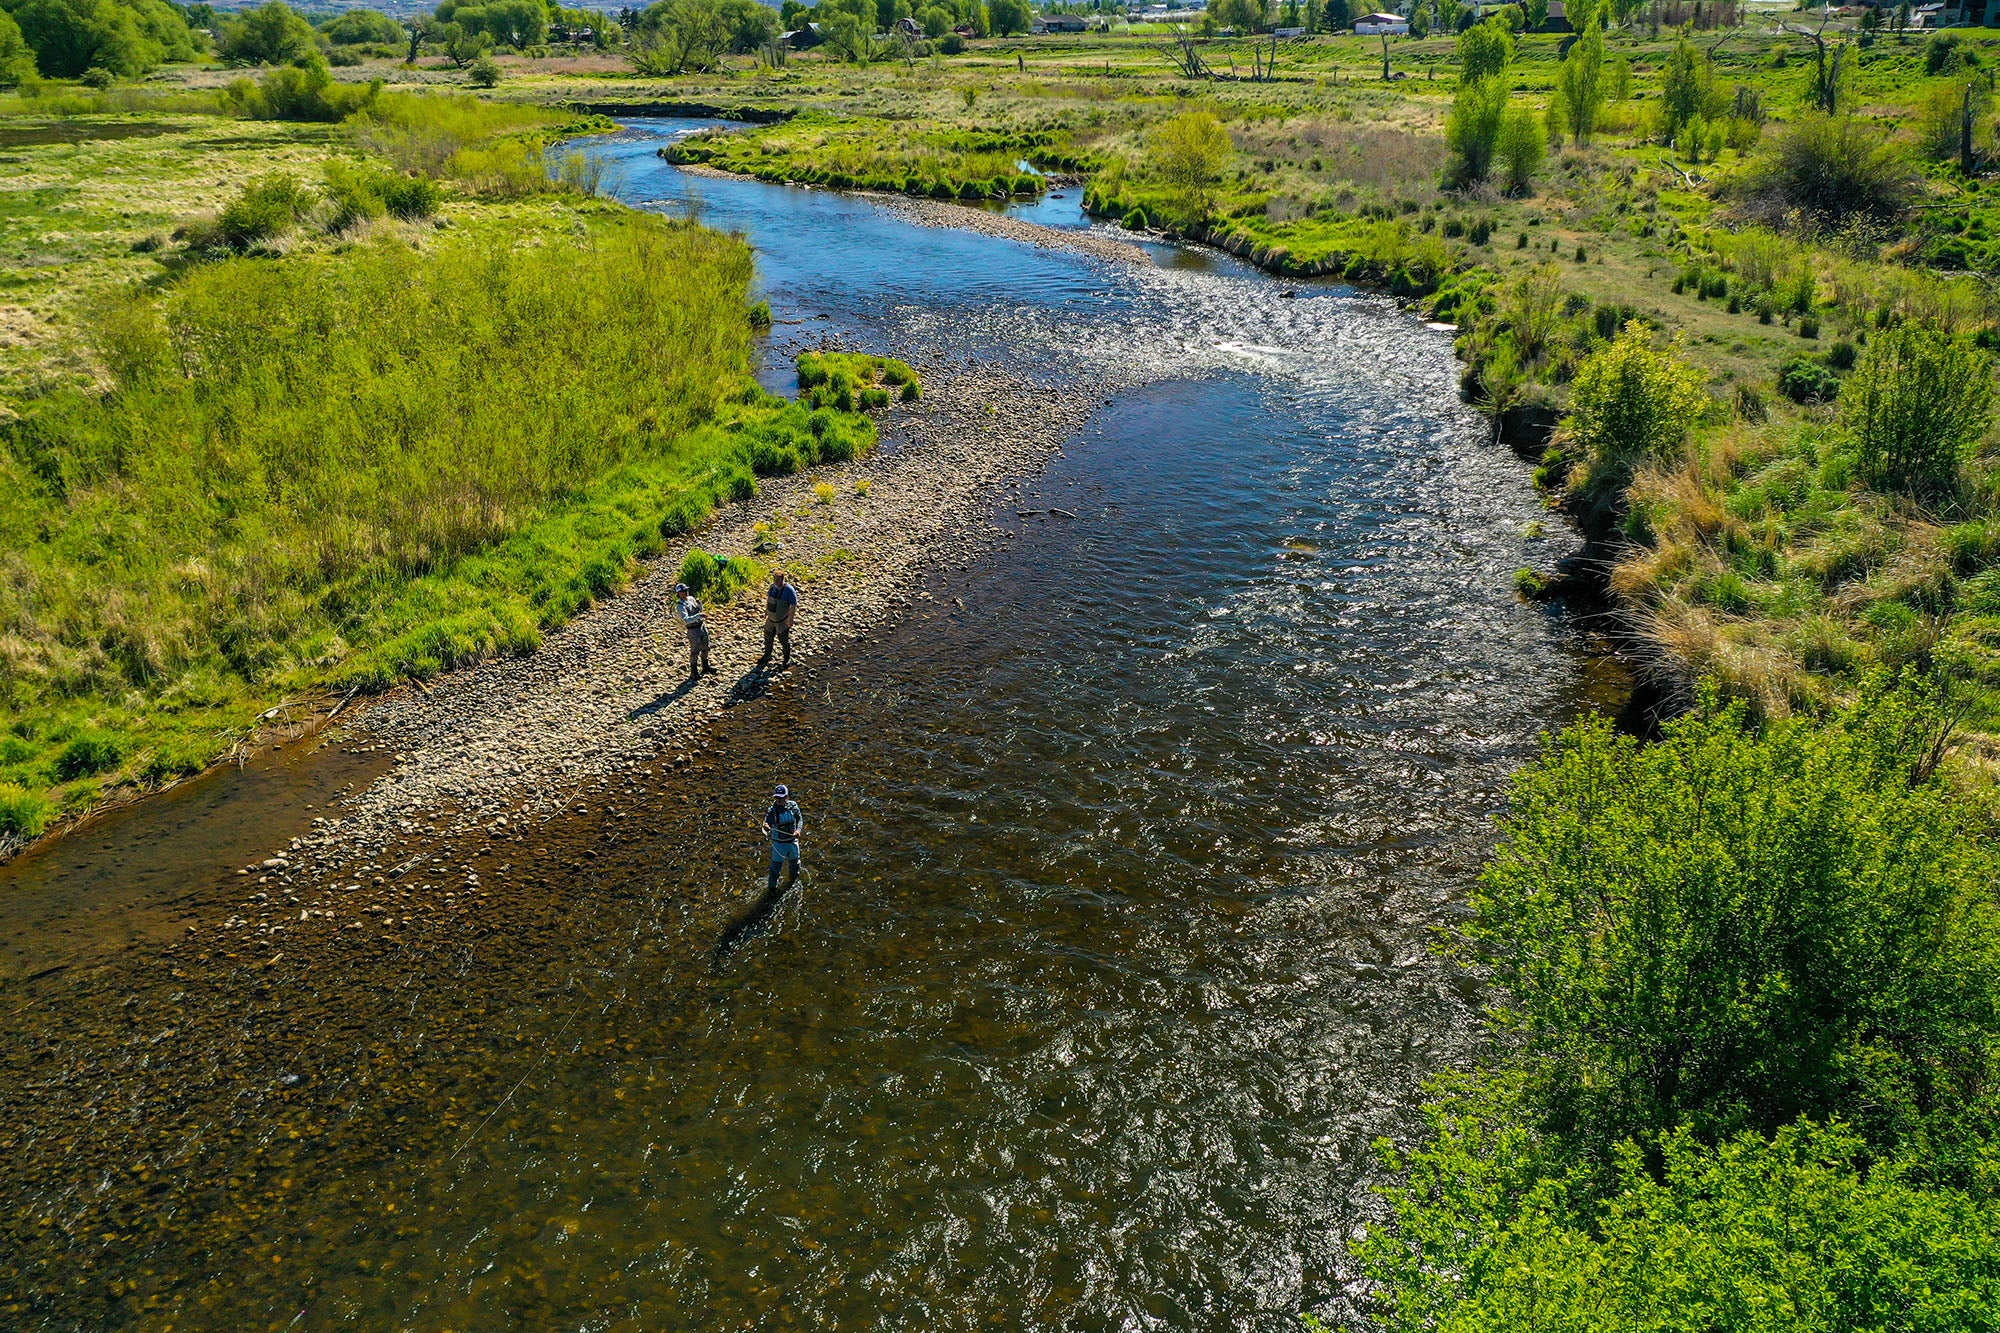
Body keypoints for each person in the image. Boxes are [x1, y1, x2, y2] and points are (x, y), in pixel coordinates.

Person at [763, 784, 804, 893]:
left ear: (787, 797)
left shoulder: (793, 806)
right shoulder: (772, 810)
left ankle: (793, 882)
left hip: (792, 843)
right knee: (775, 871)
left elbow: (799, 819)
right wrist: (766, 826)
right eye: (777, 798)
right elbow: (767, 822)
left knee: (795, 866)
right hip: (779, 845)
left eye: (781, 798)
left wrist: (798, 830)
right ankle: (771, 890)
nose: (779, 801)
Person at [759, 569, 799, 669]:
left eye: (778, 580)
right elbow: (769, 599)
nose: (776, 582)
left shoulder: (789, 590)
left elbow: (793, 604)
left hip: (782, 621)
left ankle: (787, 658)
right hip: (771, 619)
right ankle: (767, 655)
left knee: (783, 640)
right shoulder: (772, 587)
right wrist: (766, 611)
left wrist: (790, 619)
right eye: (775, 579)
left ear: (783, 579)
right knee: (767, 637)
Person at [675, 582, 712, 680]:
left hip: (701, 626)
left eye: (686, 590)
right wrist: (698, 616)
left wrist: (700, 605)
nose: (685, 592)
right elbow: (686, 619)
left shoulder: (691, 599)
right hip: (692, 630)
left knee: (706, 646)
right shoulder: (680, 606)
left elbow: (699, 610)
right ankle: (694, 672)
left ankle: (705, 667)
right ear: (678, 593)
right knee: (695, 651)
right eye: (683, 591)